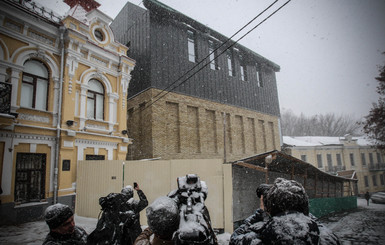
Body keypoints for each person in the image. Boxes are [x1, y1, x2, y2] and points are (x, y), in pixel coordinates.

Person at [230, 178, 340, 245]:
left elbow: (234, 238)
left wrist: (262, 211)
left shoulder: (256, 239)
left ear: (270, 209)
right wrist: (298, 209)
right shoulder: (327, 238)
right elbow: (316, 224)